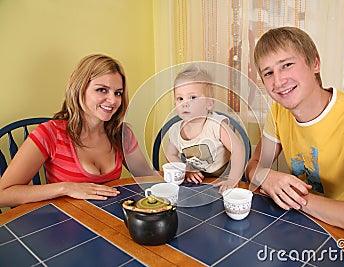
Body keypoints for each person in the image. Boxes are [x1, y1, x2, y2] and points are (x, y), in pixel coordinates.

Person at [246, 26, 344, 259]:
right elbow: (254, 165)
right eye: (268, 73)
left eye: (287, 65)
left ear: (315, 63)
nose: (278, 81)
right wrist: (265, 176)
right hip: (307, 225)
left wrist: (298, 200)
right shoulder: (279, 112)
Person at [0, 54, 157, 208]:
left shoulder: (121, 134)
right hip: (66, 223)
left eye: (118, 93)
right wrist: (66, 188)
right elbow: (3, 195)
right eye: (102, 90)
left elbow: (146, 177)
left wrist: (178, 173)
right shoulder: (50, 134)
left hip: (109, 220)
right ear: (80, 89)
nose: (113, 100)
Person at [165, 65, 245, 193]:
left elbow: (239, 149)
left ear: (209, 103)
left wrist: (232, 179)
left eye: (192, 97)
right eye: (180, 98)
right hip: (198, 181)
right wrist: (186, 168)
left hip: (223, 178)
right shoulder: (176, 130)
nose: (185, 103)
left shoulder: (216, 125)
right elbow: (170, 154)